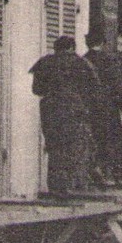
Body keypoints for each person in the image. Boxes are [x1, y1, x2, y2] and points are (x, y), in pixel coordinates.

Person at [29, 36, 98, 195]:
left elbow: (36, 90)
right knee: (76, 148)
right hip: (74, 110)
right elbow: (95, 89)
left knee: (54, 148)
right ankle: (73, 188)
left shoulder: (45, 63)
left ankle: (56, 188)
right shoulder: (82, 63)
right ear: (72, 48)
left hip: (50, 111)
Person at [84, 30, 122, 185]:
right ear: (103, 43)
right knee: (116, 141)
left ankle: (99, 174)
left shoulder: (84, 60)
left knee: (95, 140)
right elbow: (117, 85)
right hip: (108, 107)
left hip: (89, 108)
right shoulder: (109, 60)